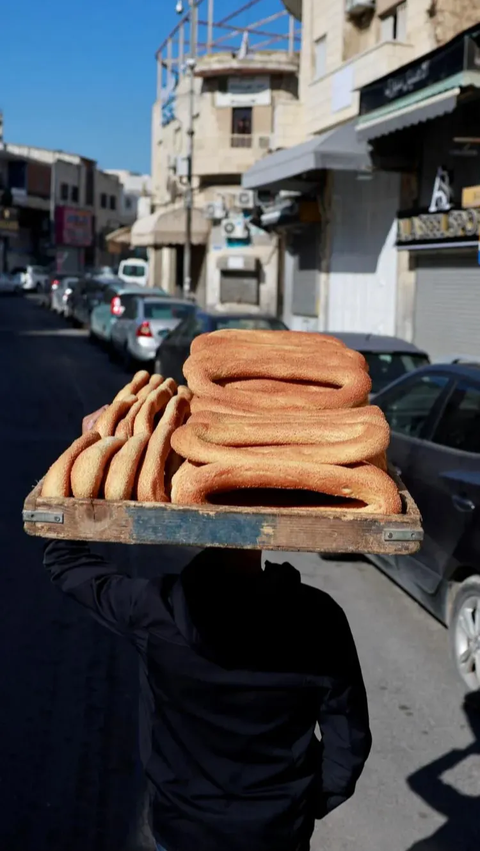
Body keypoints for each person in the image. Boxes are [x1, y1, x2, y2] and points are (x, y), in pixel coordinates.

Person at [43, 409, 372, 851]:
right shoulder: (319, 617)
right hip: (277, 833)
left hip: (182, 831)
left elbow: (65, 560)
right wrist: (305, 803)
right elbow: (348, 739)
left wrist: (89, 444)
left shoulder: (154, 610)